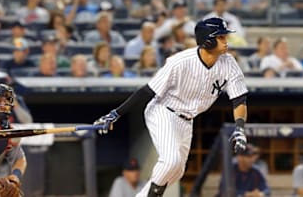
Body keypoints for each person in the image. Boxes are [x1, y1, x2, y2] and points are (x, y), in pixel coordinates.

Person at [93, 17, 248, 197]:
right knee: (170, 162)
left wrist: (240, 128)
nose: (226, 41)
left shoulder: (228, 63)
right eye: (221, 37)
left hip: (187, 120)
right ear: (208, 40)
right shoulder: (180, 62)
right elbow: (148, 91)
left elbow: (239, 99)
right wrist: (115, 114)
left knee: (176, 173)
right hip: (163, 110)